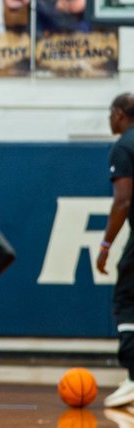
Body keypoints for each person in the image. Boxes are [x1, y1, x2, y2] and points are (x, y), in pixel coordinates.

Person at [96, 94, 134, 408]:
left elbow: (123, 201)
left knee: (126, 297)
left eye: (110, 114)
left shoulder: (123, 147)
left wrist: (105, 246)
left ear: (119, 114)